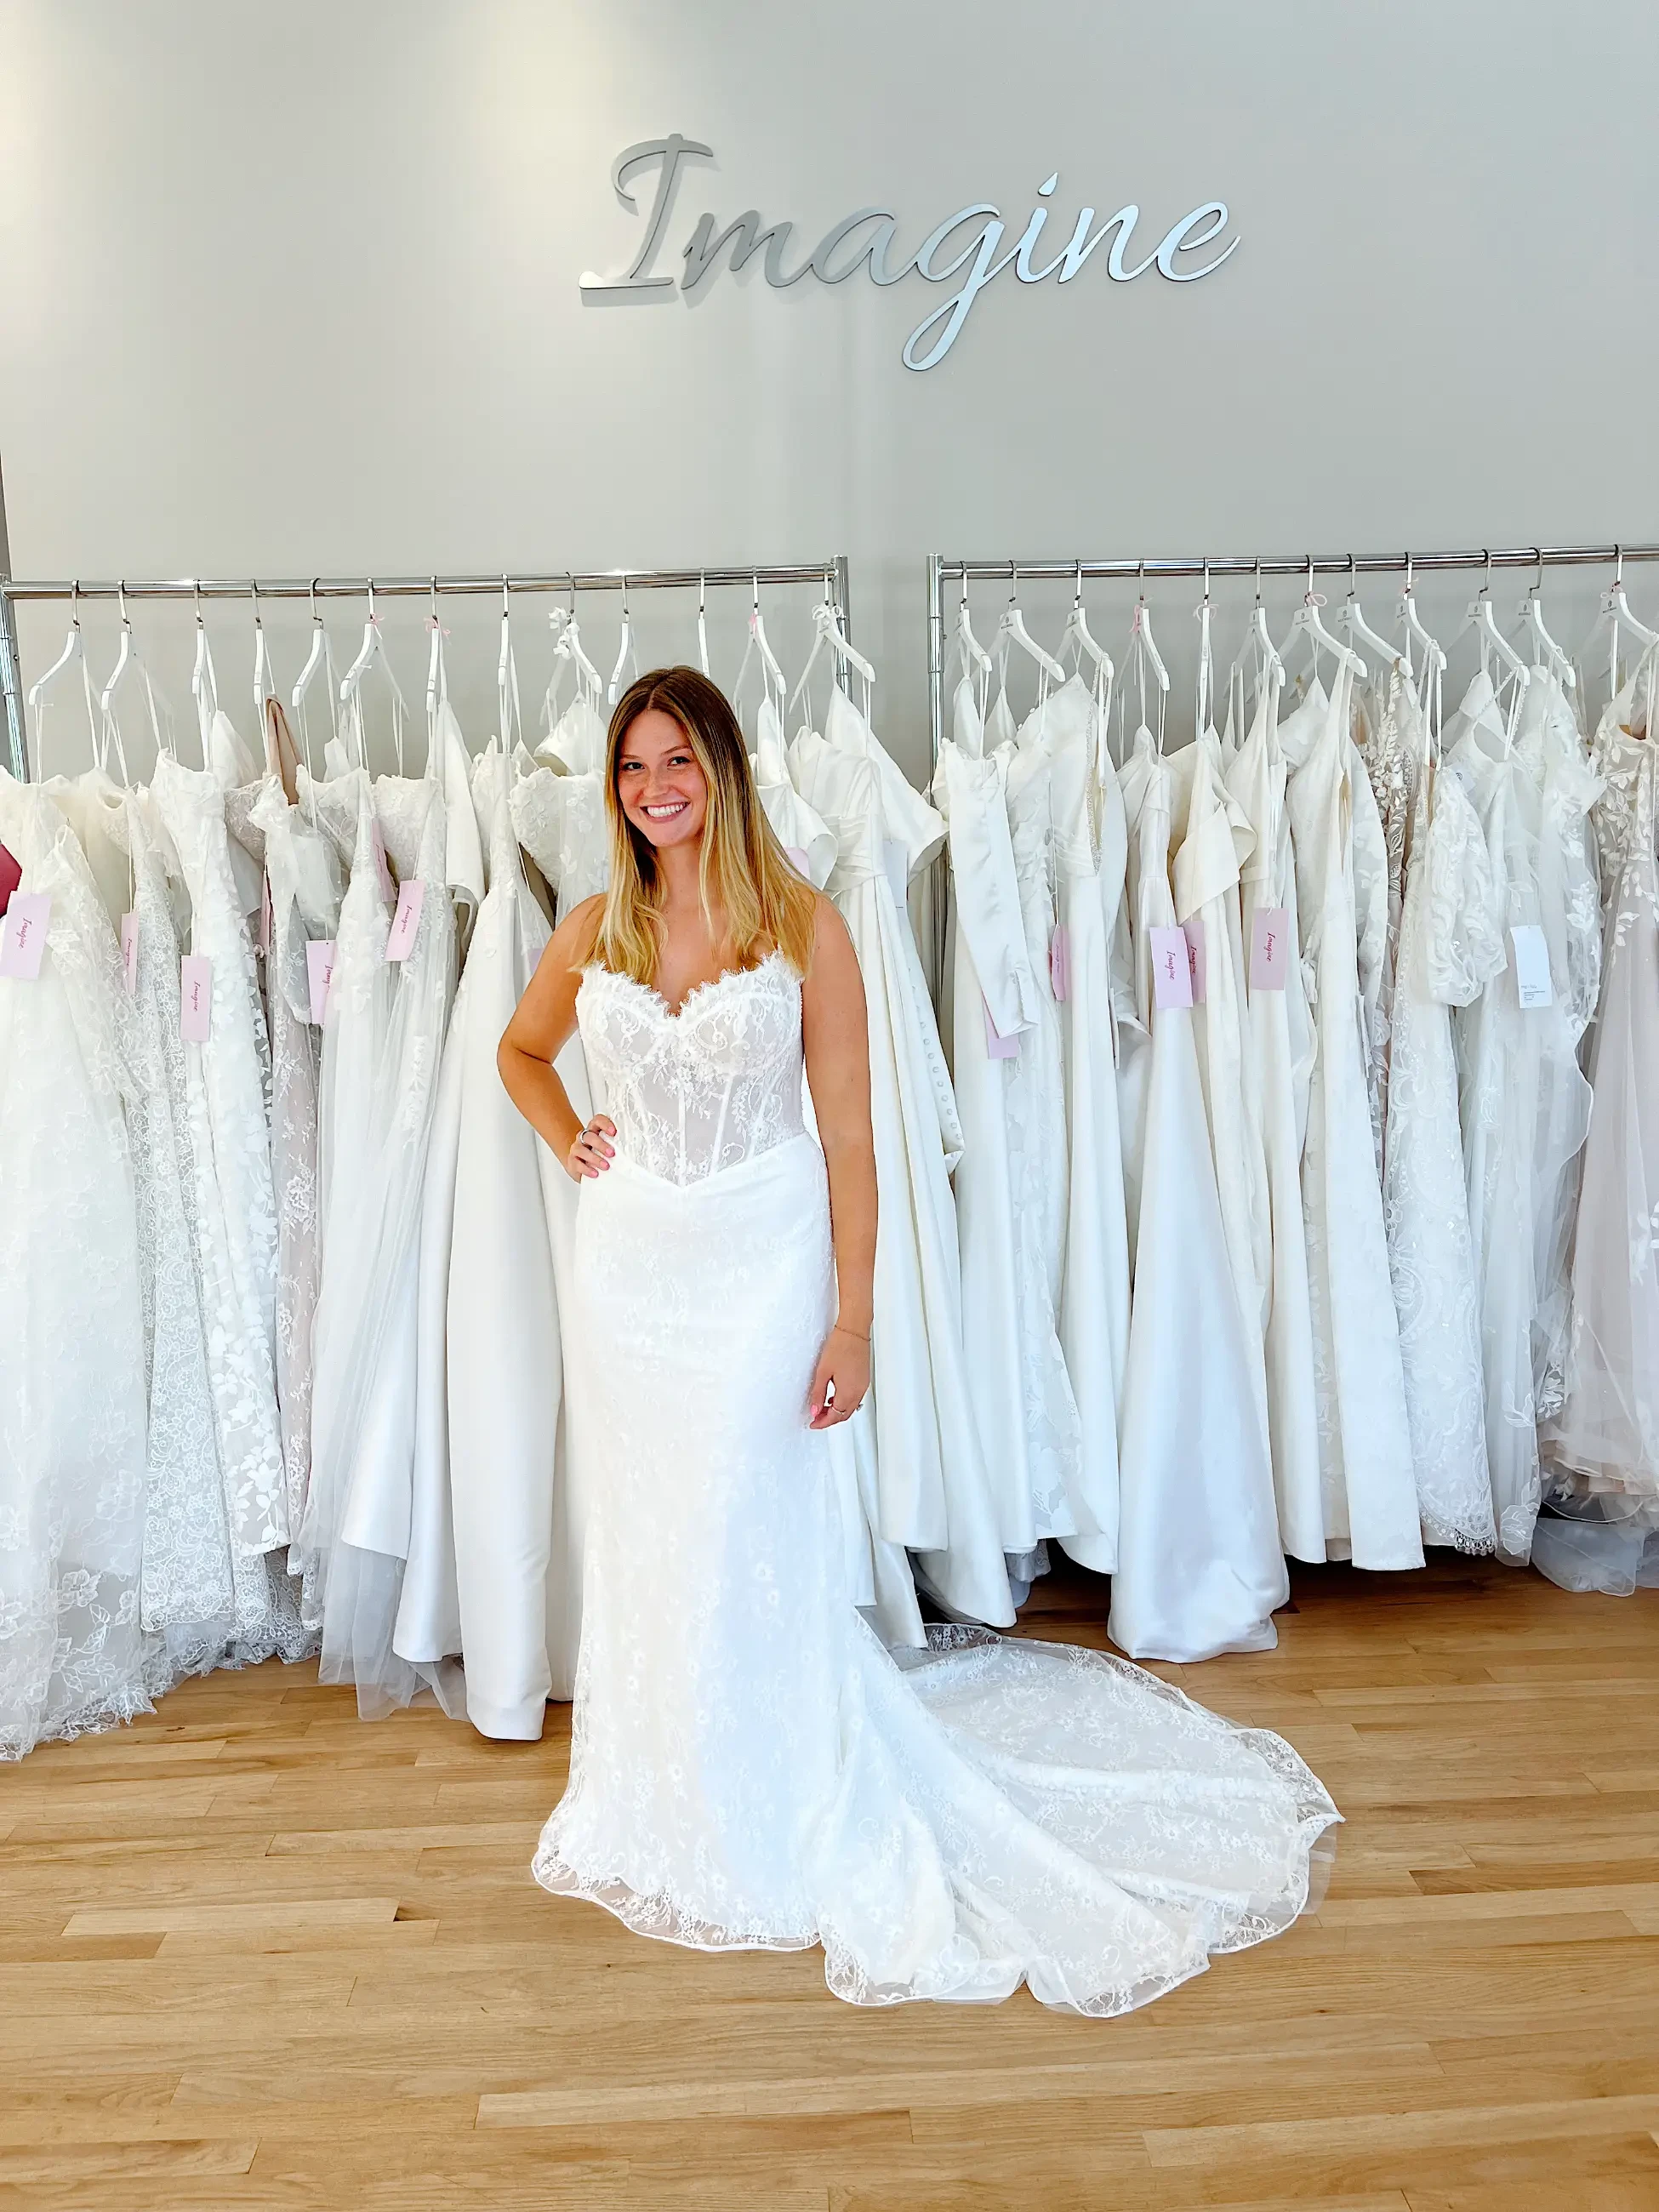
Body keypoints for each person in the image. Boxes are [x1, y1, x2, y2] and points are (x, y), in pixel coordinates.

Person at [499, 665, 1339, 2013]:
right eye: (632, 769)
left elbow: (849, 1141)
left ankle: (771, 1782)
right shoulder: (593, 925)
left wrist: (852, 1319)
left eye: (679, 764)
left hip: (761, 1268)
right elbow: (521, 1055)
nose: (655, 790)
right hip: (632, 1272)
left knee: (737, 1521)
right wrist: (573, 1135)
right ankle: (665, 1783)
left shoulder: (802, 928)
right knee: (655, 1529)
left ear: (722, 771)